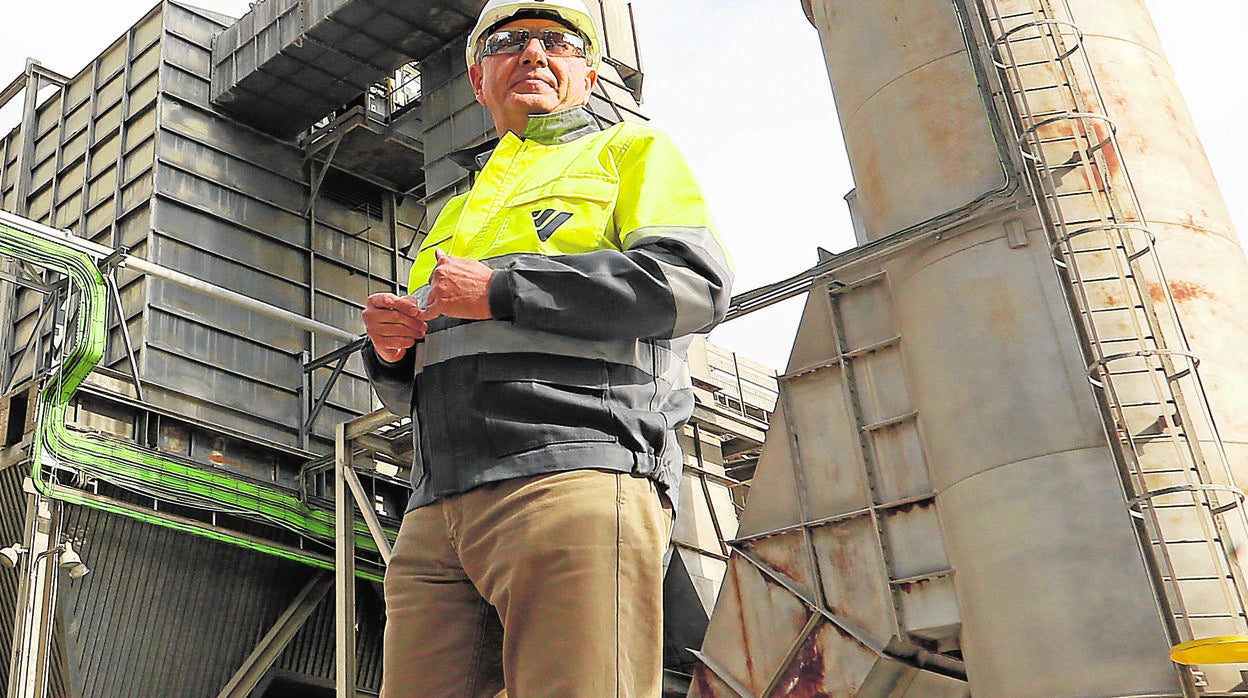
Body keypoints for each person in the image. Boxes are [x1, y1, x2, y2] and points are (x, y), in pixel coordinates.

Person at [361, 1, 732, 695]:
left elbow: (692, 286)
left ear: (587, 75)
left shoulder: (631, 153)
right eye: (508, 42)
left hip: (574, 472)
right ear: (479, 80)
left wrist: (504, 290)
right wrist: (390, 352)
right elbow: (423, 379)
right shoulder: (456, 212)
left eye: (556, 42)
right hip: (436, 506)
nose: (532, 54)